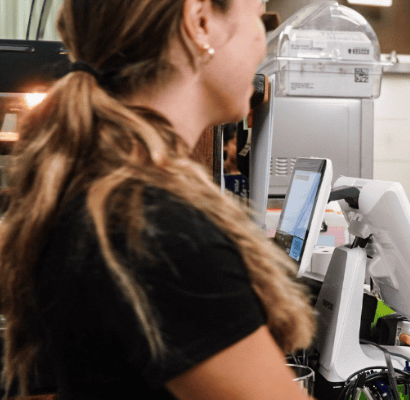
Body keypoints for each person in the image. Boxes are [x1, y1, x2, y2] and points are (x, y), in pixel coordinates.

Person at [0, 0, 316, 399]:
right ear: (199, 21)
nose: (262, 44)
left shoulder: (90, 194)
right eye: (258, 17)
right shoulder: (161, 231)